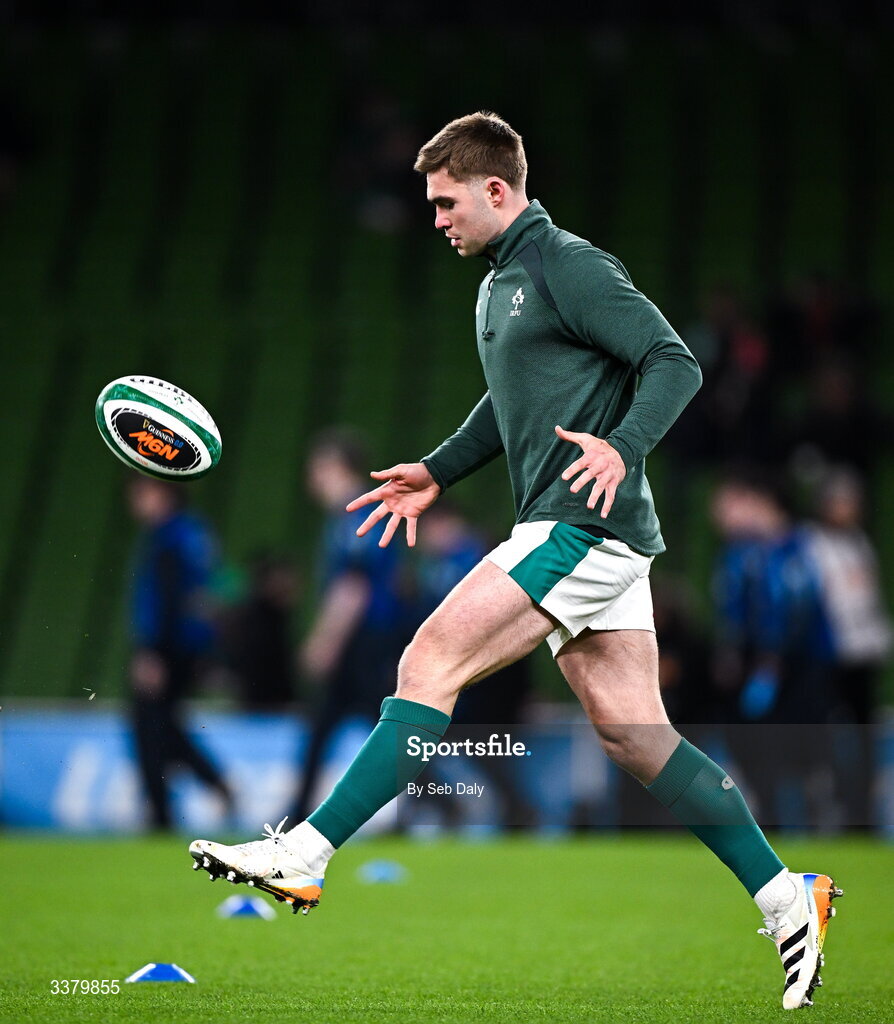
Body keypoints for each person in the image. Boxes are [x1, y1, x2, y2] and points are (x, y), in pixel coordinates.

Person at [189, 112, 842, 1009]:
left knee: (429, 661)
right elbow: (505, 408)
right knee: (635, 736)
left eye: (447, 200)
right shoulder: (498, 284)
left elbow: (674, 362)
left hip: (579, 524)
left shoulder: (566, 264)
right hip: (594, 534)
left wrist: (622, 445)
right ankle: (785, 894)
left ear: (499, 190)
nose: (435, 217)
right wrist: (436, 471)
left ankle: (303, 854)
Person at [288, 429, 408, 823]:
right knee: (330, 724)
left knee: (372, 725)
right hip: (366, 640)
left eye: (317, 469)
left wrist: (325, 641)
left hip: (363, 642)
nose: (312, 480)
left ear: (335, 466)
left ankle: (429, 801)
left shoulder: (356, 511)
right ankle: (298, 813)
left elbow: (353, 587)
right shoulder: (353, 512)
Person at [128, 475, 232, 829]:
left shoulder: (168, 537)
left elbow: (166, 600)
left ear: (163, 494)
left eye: (141, 492)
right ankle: (214, 783)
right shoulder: (195, 533)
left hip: (166, 646)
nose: (135, 501)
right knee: (164, 723)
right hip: (188, 645)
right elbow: (206, 595)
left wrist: (150, 651)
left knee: (151, 727)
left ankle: (161, 815)